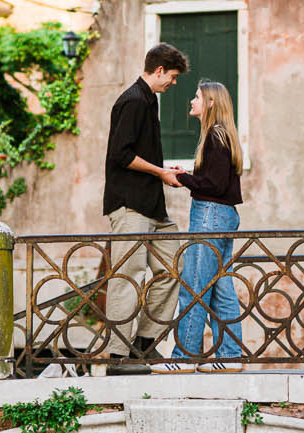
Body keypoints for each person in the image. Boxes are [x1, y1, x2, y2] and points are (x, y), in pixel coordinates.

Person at [100, 43, 188, 363]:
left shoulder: (149, 101)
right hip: (129, 205)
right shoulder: (134, 101)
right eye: (173, 77)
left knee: (173, 268)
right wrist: (160, 173)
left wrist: (164, 171)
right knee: (127, 278)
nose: (174, 83)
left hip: (153, 207)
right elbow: (120, 155)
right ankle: (118, 356)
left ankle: (144, 345)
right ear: (160, 70)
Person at [169, 81, 245, 371]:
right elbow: (218, 181)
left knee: (196, 287)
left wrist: (183, 178)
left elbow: (213, 184)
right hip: (224, 215)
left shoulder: (215, 136)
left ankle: (185, 357)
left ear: (211, 103)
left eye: (197, 96)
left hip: (210, 215)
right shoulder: (223, 135)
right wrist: (188, 175)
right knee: (221, 288)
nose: (192, 100)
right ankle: (229, 357)